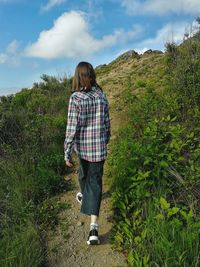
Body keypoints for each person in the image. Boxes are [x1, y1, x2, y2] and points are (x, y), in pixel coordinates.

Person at [64, 61, 111, 245]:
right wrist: (105, 139)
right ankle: (88, 204)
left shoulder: (76, 98)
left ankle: (93, 226)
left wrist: (67, 151)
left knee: (87, 178)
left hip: (83, 149)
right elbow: (107, 123)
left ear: (77, 77)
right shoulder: (101, 96)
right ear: (91, 75)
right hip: (98, 149)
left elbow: (71, 128)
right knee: (92, 180)